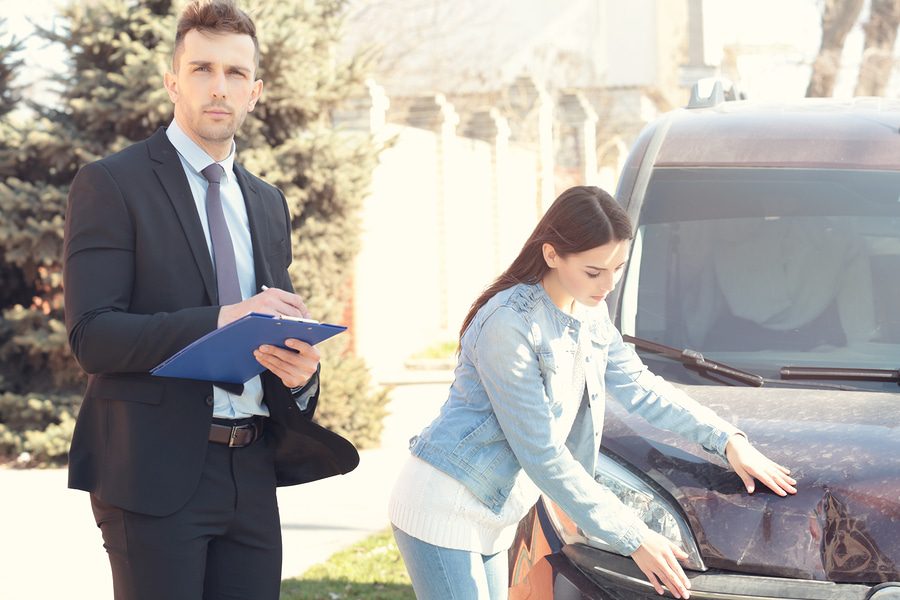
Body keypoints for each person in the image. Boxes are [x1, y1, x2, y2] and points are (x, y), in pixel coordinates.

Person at [62, 1, 358, 598]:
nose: (218, 88)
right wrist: (225, 318)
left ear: (256, 91)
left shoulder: (268, 203)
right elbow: (92, 336)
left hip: (251, 469)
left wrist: (298, 375)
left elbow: (273, 333)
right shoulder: (112, 183)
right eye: (201, 69)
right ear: (173, 80)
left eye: (235, 74)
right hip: (152, 472)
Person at [388, 186, 798, 600]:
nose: (608, 284)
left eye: (617, 268)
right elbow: (541, 452)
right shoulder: (508, 324)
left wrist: (727, 440)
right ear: (551, 255)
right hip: (446, 502)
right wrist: (634, 536)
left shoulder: (589, 312)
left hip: (494, 513)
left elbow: (640, 387)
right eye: (593, 271)